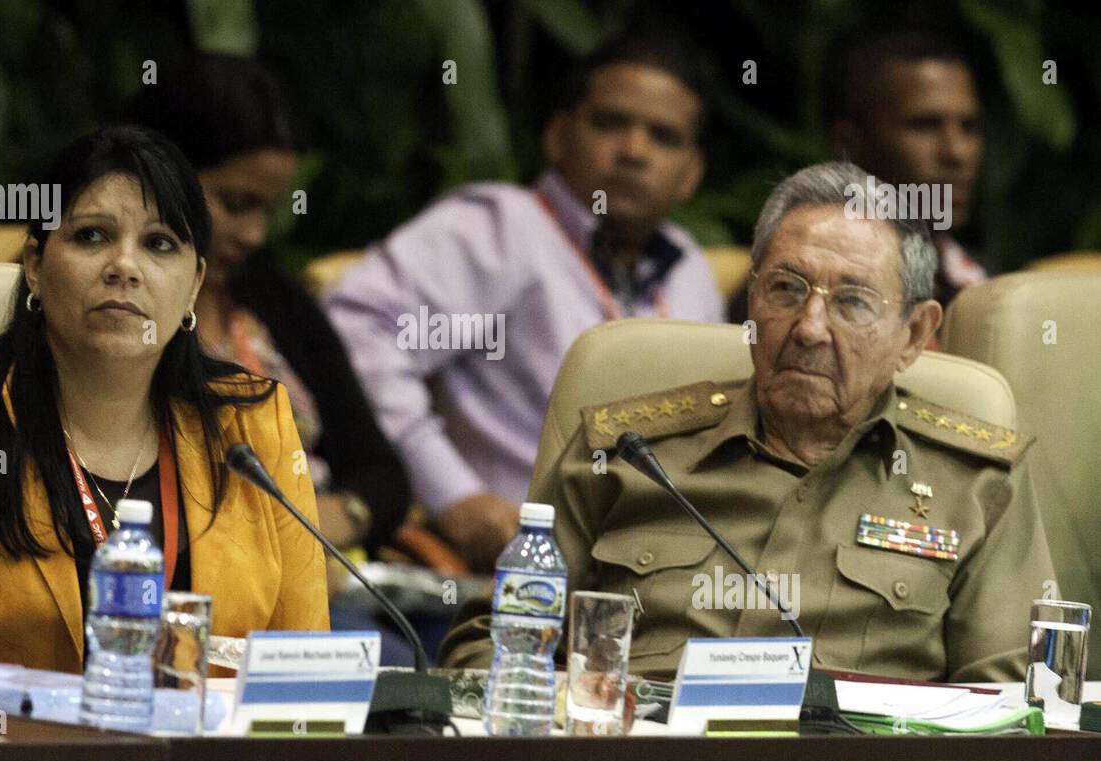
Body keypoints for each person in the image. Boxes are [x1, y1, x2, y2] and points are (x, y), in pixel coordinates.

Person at [441, 162, 1054, 683]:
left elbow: (1010, 711)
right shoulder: (627, 452)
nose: (810, 328)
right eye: (787, 289)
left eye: (852, 303)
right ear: (752, 300)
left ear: (914, 335)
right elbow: (496, 642)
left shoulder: (975, 483)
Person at [0, 125, 328, 673]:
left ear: (194, 284)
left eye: (159, 243)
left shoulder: (251, 425)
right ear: (35, 264)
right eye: (92, 236)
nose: (124, 265)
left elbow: (304, 680)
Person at [325, 31, 724, 573]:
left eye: (663, 137)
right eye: (609, 123)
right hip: (511, 573)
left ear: (691, 173)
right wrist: (453, 494)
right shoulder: (497, 230)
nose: (634, 150)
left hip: (655, 573)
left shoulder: (690, 270)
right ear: (558, 136)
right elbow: (356, 334)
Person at [124, 53, 411, 558]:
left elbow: (380, 472)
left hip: (324, 570)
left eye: (268, 210)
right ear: (159, 177)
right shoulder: (115, 301)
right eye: (235, 204)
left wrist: (338, 517)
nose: (255, 234)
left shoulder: (269, 294)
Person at [828, 29, 988, 309]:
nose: (957, 152)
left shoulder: (985, 287)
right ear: (849, 145)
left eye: (969, 127)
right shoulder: (794, 292)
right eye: (924, 125)